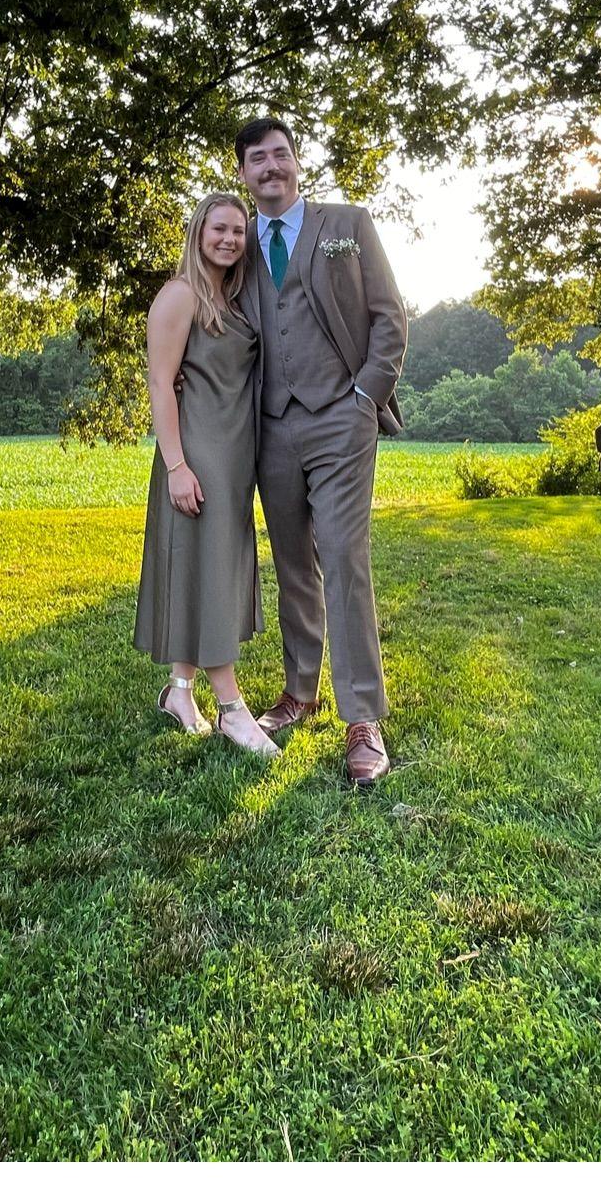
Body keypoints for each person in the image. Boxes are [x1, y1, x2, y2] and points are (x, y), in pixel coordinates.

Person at [234, 115, 408, 788]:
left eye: (280, 154)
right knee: (292, 564)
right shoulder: (236, 240)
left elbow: (389, 313)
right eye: (257, 158)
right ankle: (299, 691)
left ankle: (362, 717)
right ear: (243, 173)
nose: (270, 166)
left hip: (341, 416)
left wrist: (366, 395)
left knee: (342, 557)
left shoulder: (348, 224)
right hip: (269, 423)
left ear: (296, 161)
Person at [133, 192, 277, 756]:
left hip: (235, 457)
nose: (229, 239)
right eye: (219, 228)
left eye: (238, 231)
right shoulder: (179, 295)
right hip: (196, 455)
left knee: (204, 570)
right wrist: (176, 465)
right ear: (198, 232)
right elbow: (161, 383)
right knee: (212, 576)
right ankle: (233, 711)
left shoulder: (233, 298)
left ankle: (180, 690)